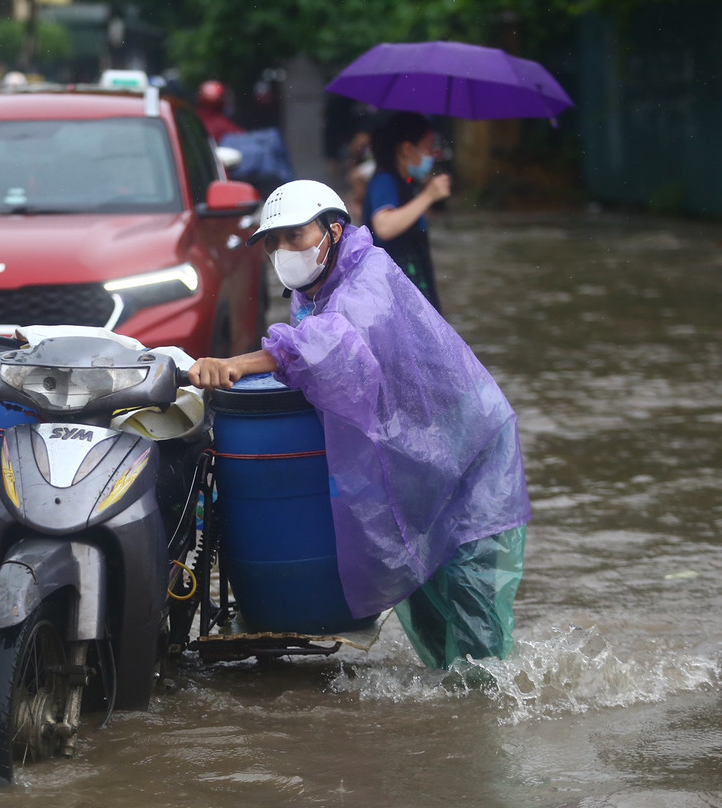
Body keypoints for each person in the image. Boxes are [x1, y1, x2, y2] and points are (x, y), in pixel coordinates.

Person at [189, 180, 530, 669]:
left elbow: (335, 343)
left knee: (476, 629)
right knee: (433, 633)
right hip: (413, 457)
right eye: (273, 240)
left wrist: (240, 363)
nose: (283, 250)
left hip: (463, 455)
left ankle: (497, 721)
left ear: (333, 229)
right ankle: (452, 732)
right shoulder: (312, 292)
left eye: (295, 235)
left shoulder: (368, 276)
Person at [362, 111, 450, 313]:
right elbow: (384, 226)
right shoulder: (385, 181)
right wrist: (428, 195)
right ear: (407, 149)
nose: (432, 154)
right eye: (428, 147)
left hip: (410, 291)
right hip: (394, 300)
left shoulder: (405, 183)